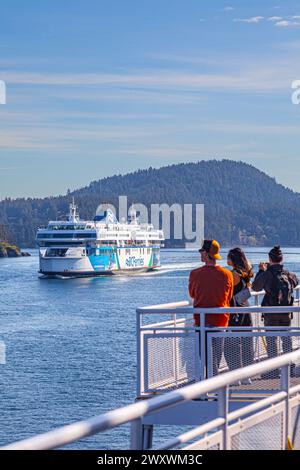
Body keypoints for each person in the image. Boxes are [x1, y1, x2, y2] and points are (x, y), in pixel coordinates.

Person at [189, 239, 234, 376]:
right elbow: (229, 297)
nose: (200, 254)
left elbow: (192, 294)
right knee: (216, 358)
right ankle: (214, 388)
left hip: (201, 322)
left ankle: (210, 389)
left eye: (202, 251)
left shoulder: (195, 274)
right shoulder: (227, 275)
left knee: (205, 359)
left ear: (207, 254)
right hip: (220, 322)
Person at [252, 245, 298, 377]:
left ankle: (273, 370)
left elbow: (255, 287)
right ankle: (289, 367)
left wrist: (261, 271)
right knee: (286, 340)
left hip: (271, 314)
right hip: (286, 313)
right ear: (282, 259)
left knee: (272, 341)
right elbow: (295, 282)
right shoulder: (288, 274)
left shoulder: (267, 274)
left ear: (269, 259)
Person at [224, 248, 255, 375]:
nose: (226, 259)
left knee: (231, 345)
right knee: (246, 342)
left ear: (233, 259)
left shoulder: (233, 274)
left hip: (235, 311)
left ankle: (236, 374)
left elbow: (226, 292)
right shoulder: (245, 273)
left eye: (228, 257)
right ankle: (247, 373)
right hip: (245, 308)